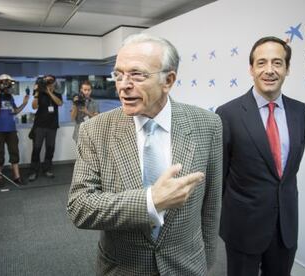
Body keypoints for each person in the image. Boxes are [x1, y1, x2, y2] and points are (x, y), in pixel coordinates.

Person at [67, 33, 222, 275]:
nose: (123, 85)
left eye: (137, 75)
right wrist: (150, 202)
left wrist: (206, 262)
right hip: (123, 268)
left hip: (187, 266)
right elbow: (80, 207)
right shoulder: (94, 130)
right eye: (118, 75)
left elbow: (211, 205)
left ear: (168, 80)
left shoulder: (208, 125)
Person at [216, 36, 305, 276]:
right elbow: (221, 174)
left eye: (277, 63)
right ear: (251, 69)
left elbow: (290, 171)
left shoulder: (301, 111)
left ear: (287, 69)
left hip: (285, 227)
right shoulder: (228, 113)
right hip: (243, 226)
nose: (269, 70)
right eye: (262, 63)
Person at [0, 74, 29, 187]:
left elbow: (15, 111)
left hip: (11, 130)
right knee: (0, 154)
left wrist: (24, 103)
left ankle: (17, 177)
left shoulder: (9, 97)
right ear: (0, 83)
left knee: (14, 153)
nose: (9, 86)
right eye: (6, 83)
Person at [28, 75, 63, 181]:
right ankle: (34, 171)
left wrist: (49, 92)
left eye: (51, 81)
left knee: (50, 149)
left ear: (54, 83)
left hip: (52, 126)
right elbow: (34, 107)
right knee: (36, 149)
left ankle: (47, 169)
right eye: (47, 81)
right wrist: (37, 93)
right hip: (39, 126)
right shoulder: (40, 94)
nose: (49, 83)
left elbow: (59, 103)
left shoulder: (57, 94)